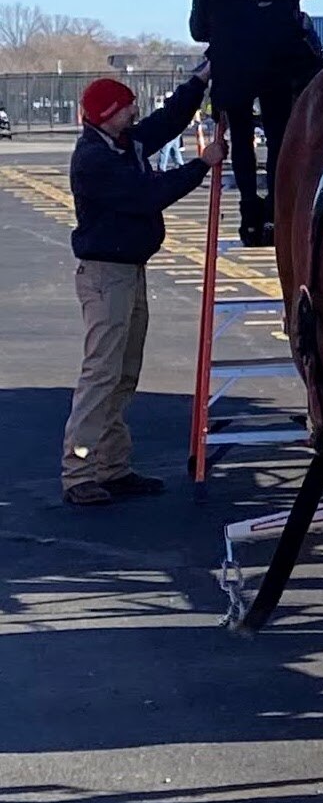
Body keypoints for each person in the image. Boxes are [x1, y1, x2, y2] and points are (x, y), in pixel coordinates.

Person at [63, 71, 221, 506]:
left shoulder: (122, 141)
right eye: (127, 106)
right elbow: (147, 195)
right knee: (101, 373)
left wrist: (199, 80)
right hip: (105, 276)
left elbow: (167, 121)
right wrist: (201, 165)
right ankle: (78, 471)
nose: (135, 111)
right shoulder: (94, 160)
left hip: (128, 271)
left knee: (123, 372)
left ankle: (112, 467)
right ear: (108, 115)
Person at [181, 0, 323, 246]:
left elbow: (198, 29)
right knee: (277, 137)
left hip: (232, 65)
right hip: (277, 57)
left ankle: (249, 214)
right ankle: (275, 214)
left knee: (242, 137)